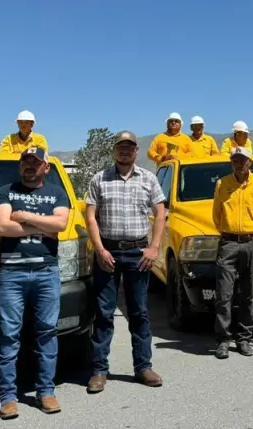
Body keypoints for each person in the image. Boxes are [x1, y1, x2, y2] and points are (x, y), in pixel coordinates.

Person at [0, 146, 70, 419]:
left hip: (47, 271)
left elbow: (61, 225)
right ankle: (7, 396)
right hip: (12, 272)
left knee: (47, 332)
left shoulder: (57, 193)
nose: (29, 165)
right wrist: (42, 226)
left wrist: (24, 217)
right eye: (25, 161)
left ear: (45, 167)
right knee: (9, 335)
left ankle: (46, 391)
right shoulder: (5, 192)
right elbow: (2, 227)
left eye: (35, 162)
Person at [85, 131, 166, 392]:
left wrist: (154, 247)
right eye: (121, 147)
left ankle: (143, 367)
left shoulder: (149, 179)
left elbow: (160, 214)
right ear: (114, 150)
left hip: (137, 254)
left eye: (129, 147)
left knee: (139, 312)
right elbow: (90, 218)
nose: (125, 151)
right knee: (104, 312)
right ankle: (99, 370)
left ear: (136, 151)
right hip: (107, 252)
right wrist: (99, 249)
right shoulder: (99, 179)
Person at [212, 146, 253, 359]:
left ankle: (244, 338)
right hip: (229, 243)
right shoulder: (222, 184)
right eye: (235, 160)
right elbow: (216, 213)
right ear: (231, 163)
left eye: (242, 160)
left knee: (247, 292)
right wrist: (228, 233)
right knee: (224, 294)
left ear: (250, 163)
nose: (239, 163)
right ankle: (223, 340)